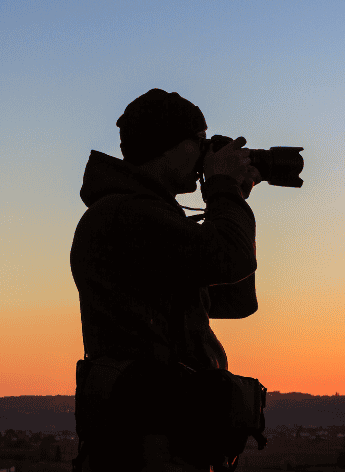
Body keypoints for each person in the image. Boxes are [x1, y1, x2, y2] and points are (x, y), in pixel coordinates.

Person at [70, 89, 263, 472]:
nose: (206, 152)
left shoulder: (145, 216)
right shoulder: (126, 215)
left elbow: (236, 299)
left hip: (167, 435)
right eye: (199, 140)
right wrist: (224, 191)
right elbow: (230, 259)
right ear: (166, 145)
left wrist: (231, 197)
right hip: (147, 441)